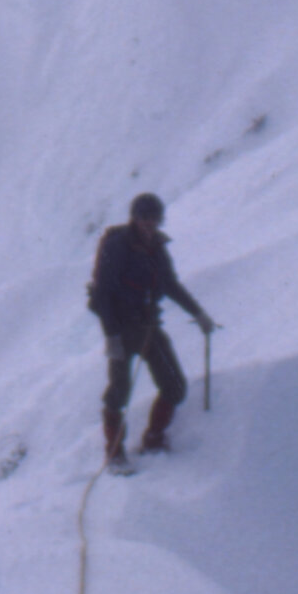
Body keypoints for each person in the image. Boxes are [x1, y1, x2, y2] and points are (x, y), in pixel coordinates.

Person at [86, 193, 215, 467]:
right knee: (119, 392)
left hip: (148, 327)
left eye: (154, 218)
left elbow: (169, 284)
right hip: (120, 329)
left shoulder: (157, 247)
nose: (149, 223)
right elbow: (102, 294)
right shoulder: (117, 246)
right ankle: (114, 452)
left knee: (175, 386)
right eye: (145, 217)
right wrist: (111, 337)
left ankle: (154, 438)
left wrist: (198, 313)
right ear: (134, 217)